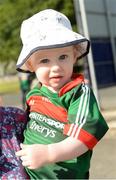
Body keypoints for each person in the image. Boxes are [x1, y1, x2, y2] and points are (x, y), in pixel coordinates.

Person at [15, 9, 109, 179]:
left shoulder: (78, 93)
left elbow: (84, 137)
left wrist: (50, 153)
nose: (56, 67)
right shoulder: (34, 93)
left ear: (74, 56)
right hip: (29, 174)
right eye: (44, 60)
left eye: (63, 57)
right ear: (30, 65)